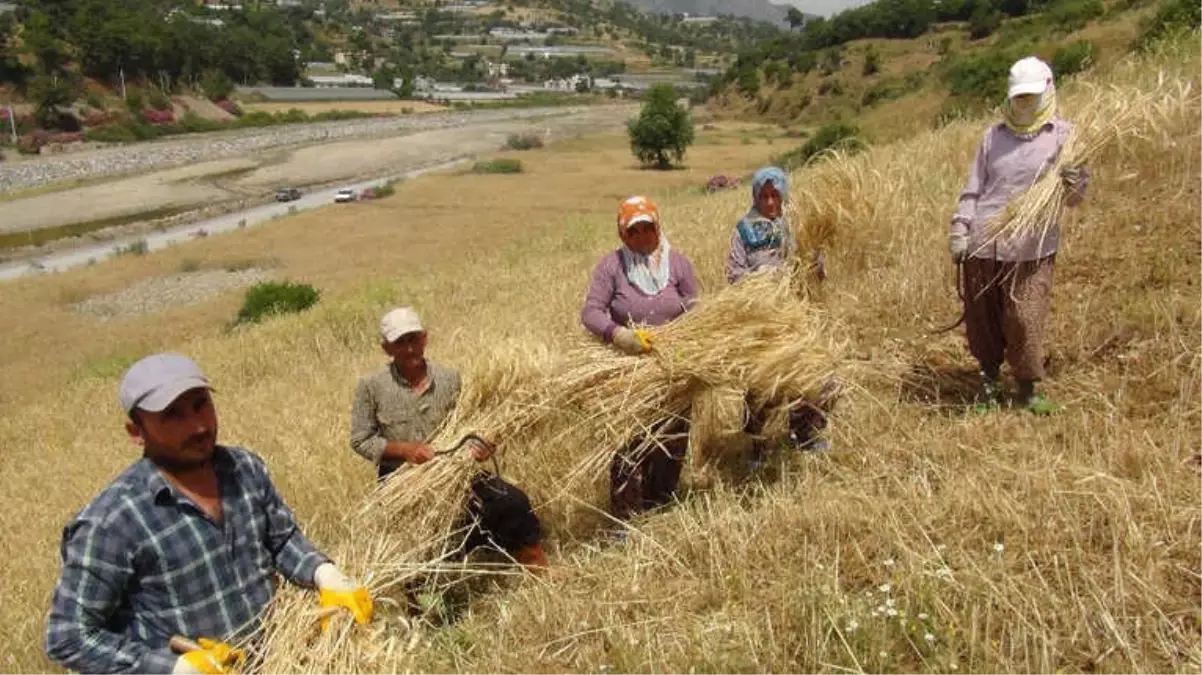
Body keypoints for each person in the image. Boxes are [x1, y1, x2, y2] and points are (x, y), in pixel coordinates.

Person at [45, 353, 372, 675]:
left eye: (201, 404)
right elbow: (69, 637)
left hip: (277, 661)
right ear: (136, 432)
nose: (198, 426)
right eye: (172, 415)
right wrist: (174, 668)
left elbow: (282, 540)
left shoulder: (244, 469)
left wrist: (325, 574)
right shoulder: (112, 522)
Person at [350, 307, 548, 570]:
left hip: (454, 471)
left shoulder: (449, 379)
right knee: (415, 545)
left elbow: (471, 427)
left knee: (512, 501)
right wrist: (404, 450)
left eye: (414, 339)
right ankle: (423, 596)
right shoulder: (371, 387)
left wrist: (483, 446)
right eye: (400, 343)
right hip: (403, 480)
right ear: (387, 348)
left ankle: (536, 566)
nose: (409, 349)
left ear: (425, 338)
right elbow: (361, 439)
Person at [948, 56, 1089, 415]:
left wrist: (1075, 182)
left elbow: (1074, 199)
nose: (1024, 104)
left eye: (1031, 96)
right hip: (985, 241)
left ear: (1047, 91)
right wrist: (961, 229)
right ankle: (989, 384)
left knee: (1025, 317)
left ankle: (1027, 389)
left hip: (1032, 247)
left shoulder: (1064, 137)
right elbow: (974, 188)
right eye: (1019, 97)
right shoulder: (992, 137)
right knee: (983, 318)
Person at [581, 195, 701, 520]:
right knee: (629, 442)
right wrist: (620, 336)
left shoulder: (678, 264)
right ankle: (627, 518)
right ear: (623, 234)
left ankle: (660, 505)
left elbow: (696, 307)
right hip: (629, 368)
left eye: (648, 228)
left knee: (671, 438)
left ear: (658, 227)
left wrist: (687, 338)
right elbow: (591, 312)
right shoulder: (612, 267)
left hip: (672, 365)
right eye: (634, 231)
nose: (642, 236)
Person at [726, 166, 842, 465]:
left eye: (774, 196)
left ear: (783, 196)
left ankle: (807, 436)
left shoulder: (798, 227)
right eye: (763, 196)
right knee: (760, 383)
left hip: (796, 314)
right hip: (762, 319)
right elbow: (734, 274)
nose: (768, 203)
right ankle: (758, 446)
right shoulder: (743, 231)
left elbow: (817, 273)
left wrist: (812, 267)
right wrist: (762, 282)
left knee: (807, 375)